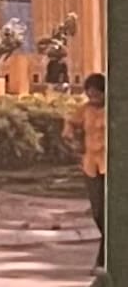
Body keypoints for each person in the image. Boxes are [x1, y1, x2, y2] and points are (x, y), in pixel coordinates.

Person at [63, 72, 106, 271]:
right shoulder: (85, 110)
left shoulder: (112, 110)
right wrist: (70, 137)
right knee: (98, 212)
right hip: (91, 165)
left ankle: (103, 259)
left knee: (110, 214)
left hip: (110, 164)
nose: (93, 97)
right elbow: (70, 123)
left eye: (97, 93)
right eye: (90, 93)